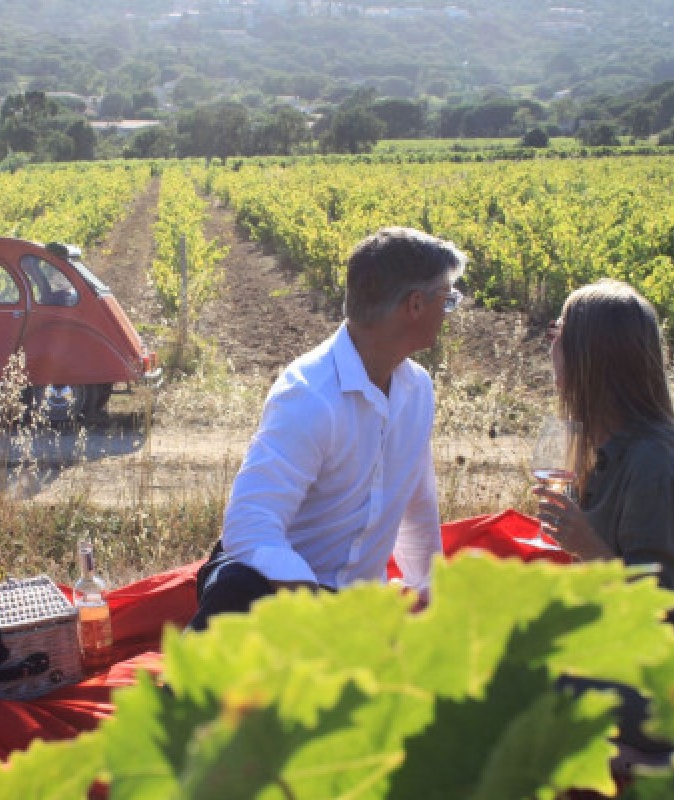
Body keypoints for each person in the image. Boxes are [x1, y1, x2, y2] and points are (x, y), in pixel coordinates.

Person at [187, 227, 467, 632]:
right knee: (239, 588)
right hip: (285, 592)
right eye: (448, 299)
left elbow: (417, 504)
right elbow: (250, 524)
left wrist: (432, 599)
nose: (449, 311)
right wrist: (314, 605)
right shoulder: (310, 395)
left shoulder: (417, 390)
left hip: (356, 606)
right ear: (416, 305)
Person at [534, 279, 674, 768]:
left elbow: (658, 603)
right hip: (636, 648)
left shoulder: (655, 464)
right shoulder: (607, 445)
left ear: (592, 358)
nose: (551, 346)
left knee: (523, 685)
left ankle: (651, 759)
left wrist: (587, 544)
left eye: (560, 334)